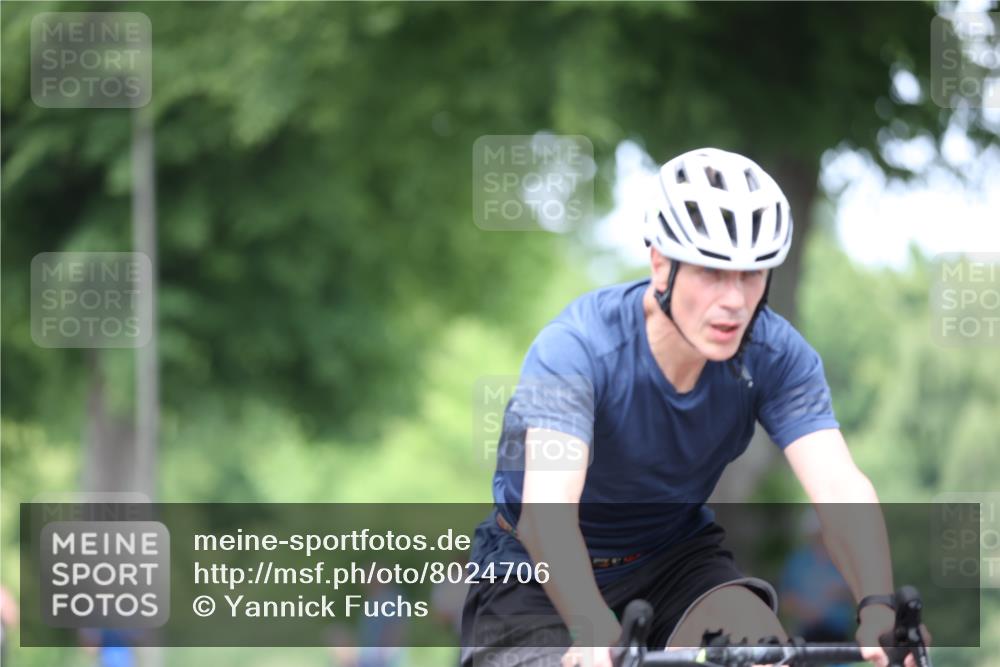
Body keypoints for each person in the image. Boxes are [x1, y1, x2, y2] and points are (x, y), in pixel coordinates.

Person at [460, 148, 909, 667]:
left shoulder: (775, 355)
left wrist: (878, 606)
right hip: (533, 569)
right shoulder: (575, 348)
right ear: (660, 264)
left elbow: (838, 485)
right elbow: (548, 513)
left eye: (751, 275)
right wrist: (592, 625)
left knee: (757, 649)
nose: (735, 300)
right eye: (712, 273)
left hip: (675, 559)